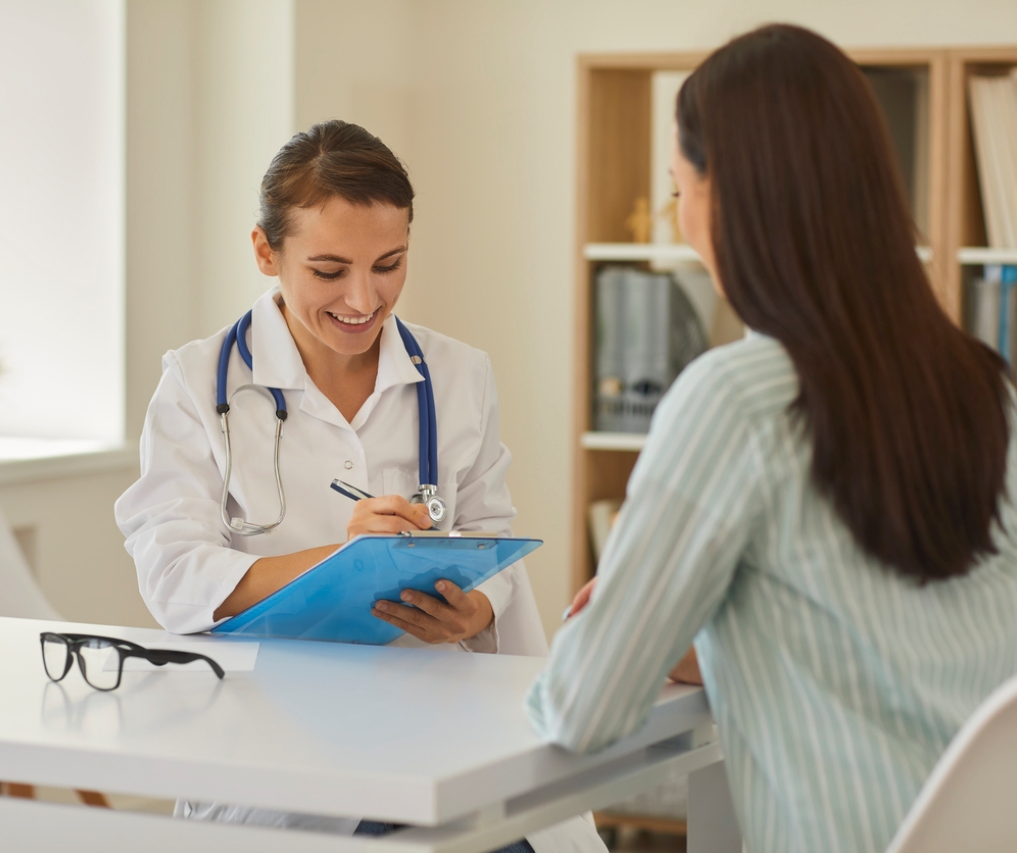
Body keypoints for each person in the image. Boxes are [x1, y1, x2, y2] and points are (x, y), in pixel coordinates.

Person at [527, 23, 1017, 853]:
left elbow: (582, 708)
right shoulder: (987, 386)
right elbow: (886, 635)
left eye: (679, 190)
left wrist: (610, 624)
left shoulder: (736, 401)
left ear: (733, 198)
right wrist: (723, 638)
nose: (680, 220)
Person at [117, 120, 602, 853]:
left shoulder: (457, 373)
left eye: (390, 264)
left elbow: (490, 533)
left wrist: (470, 610)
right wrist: (340, 563)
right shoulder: (196, 382)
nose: (363, 297)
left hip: (447, 724)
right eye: (329, 269)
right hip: (280, 743)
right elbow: (173, 571)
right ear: (264, 251)